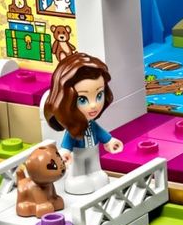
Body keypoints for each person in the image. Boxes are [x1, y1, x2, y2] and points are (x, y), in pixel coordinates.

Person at [43, 53, 124, 195]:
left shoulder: (92, 124)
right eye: (83, 99)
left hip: (93, 151)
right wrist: (65, 151)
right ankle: (76, 178)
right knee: (78, 171)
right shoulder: (73, 128)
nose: (93, 105)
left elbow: (100, 132)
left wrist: (110, 141)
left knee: (96, 170)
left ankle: (95, 174)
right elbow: (67, 141)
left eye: (99, 95)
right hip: (78, 154)